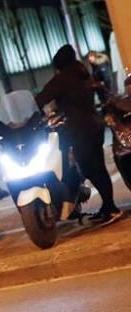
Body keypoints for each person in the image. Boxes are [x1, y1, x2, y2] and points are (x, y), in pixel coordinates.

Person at [37, 44, 121, 224]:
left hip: (80, 130)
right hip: (94, 125)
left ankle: (111, 209)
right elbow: (99, 90)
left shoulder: (62, 79)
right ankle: (109, 207)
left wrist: (30, 113)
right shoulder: (82, 73)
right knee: (98, 168)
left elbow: (40, 98)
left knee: (90, 169)